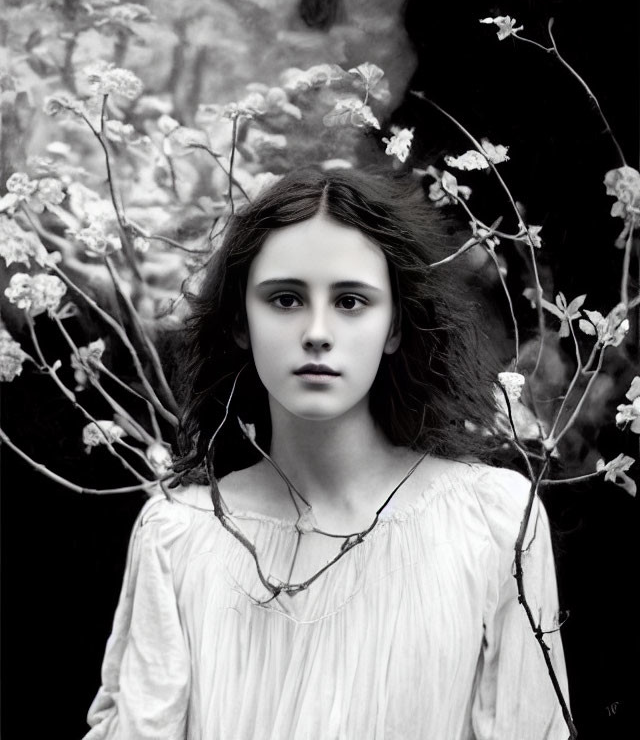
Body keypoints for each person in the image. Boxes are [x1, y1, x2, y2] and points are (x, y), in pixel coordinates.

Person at [84, 167, 570, 739]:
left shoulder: (494, 520)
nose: (317, 331)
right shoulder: (179, 535)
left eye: (351, 301)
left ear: (394, 326)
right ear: (241, 320)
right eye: (286, 299)